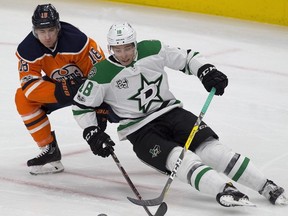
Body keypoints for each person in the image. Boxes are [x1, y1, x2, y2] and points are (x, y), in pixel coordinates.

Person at [72, 22, 287, 207]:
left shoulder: (153, 49)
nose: (124, 54)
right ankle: (226, 191)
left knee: (214, 151)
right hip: (139, 130)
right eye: (117, 49)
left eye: (127, 48)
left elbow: (186, 57)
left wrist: (205, 70)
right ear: (111, 48)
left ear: (134, 44)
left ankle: (267, 186)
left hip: (171, 112)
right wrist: (92, 132)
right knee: (180, 159)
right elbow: (81, 105)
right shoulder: (101, 73)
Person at [15, 4, 108, 175]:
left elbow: (102, 75)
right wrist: (63, 90)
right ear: (35, 31)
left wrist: (101, 109)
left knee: (124, 105)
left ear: (58, 27)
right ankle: (49, 149)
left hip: (94, 92)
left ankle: (159, 129)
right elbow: (29, 87)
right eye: (42, 32)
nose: (47, 36)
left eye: (50, 30)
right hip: (63, 90)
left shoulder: (78, 41)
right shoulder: (27, 49)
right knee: (22, 98)